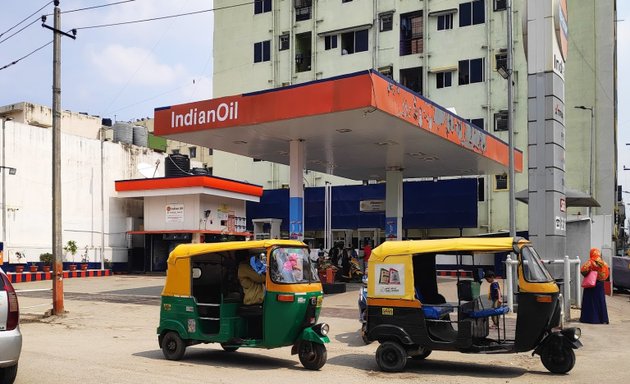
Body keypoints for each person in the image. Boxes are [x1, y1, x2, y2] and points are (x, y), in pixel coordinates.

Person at [580, 248, 609, 324]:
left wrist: (590, 272)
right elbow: (606, 275)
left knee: (590, 301)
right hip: (600, 285)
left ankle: (590, 319)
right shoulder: (604, 263)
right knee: (601, 301)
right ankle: (603, 319)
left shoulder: (591, 262)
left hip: (591, 284)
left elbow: (583, 270)